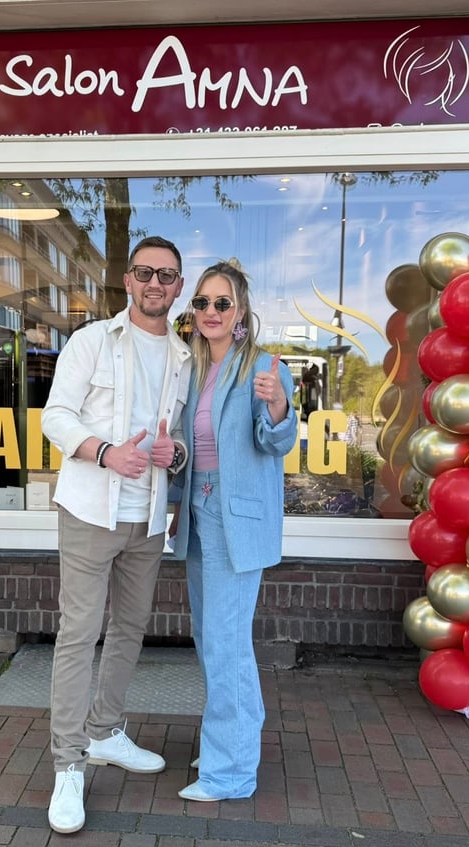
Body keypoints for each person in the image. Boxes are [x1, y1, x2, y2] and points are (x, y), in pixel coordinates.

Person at [40, 236, 192, 834]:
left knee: (129, 628)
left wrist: (172, 453)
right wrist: (105, 453)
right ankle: (68, 764)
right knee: (78, 634)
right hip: (89, 508)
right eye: (146, 273)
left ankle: (104, 732)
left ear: (179, 288)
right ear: (128, 281)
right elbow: (55, 416)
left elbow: (176, 443)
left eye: (168, 276)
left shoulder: (184, 357)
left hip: (148, 517)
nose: (156, 284)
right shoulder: (91, 341)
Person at [171, 259, 298, 802]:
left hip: (236, 519)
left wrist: (277, 404)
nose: (210, 312)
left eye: (221, 303)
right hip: (198, 512)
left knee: (227, 643)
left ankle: (230, 772)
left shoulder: (265, 367)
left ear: (241, 311)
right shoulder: (192, 367)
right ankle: (229, 743)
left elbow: (277, 443)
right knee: (209, 639)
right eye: (202, 303)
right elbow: (189, 447)